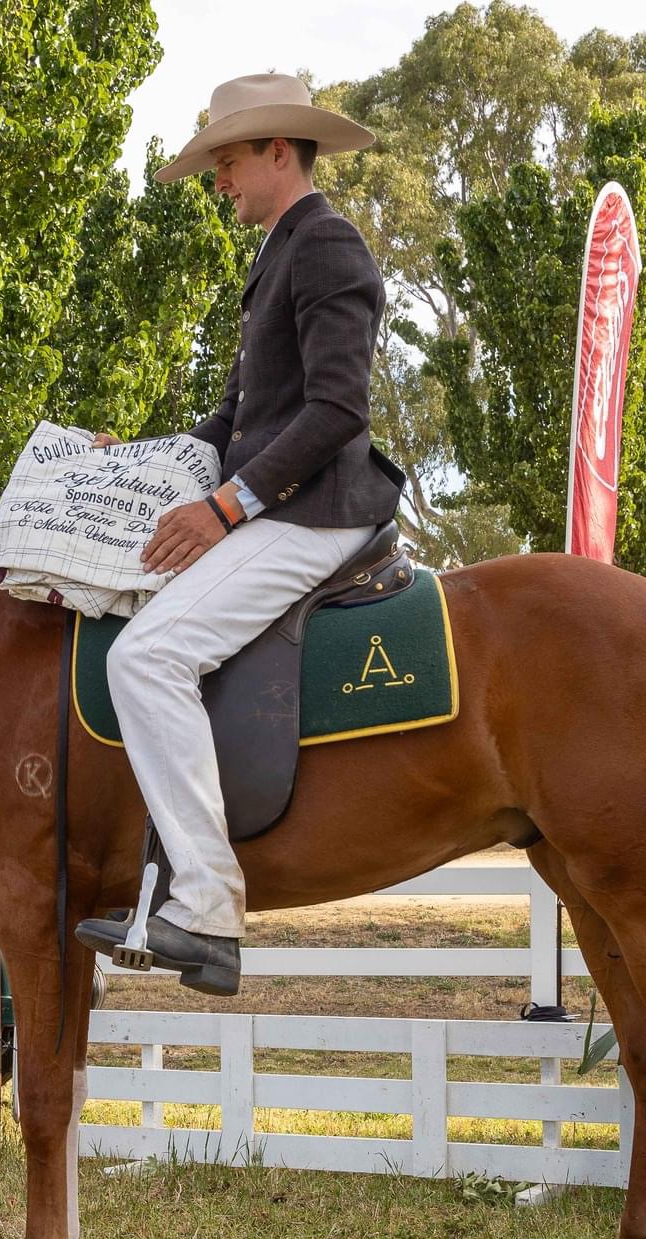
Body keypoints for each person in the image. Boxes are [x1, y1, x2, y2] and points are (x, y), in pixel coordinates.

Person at [72, 73, 406, 995]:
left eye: (225, 162)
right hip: (278, 503)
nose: (218, 181)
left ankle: (208, 908)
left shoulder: (327, 244)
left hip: (319, 511)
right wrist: (136, 463)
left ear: (277, 152)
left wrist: (224, 508)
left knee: (147, 658)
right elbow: (233, 422)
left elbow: (338, 410)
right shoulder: (275, 256)